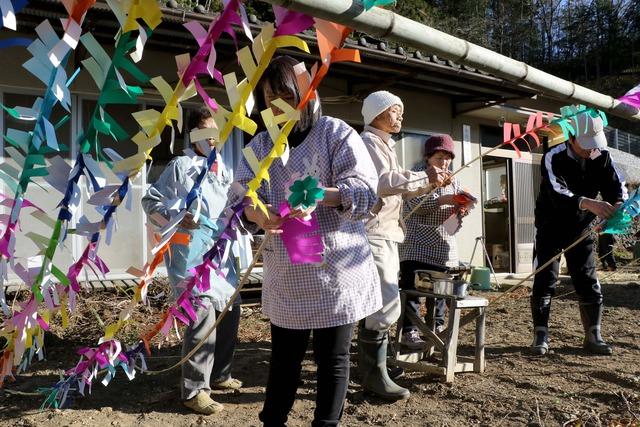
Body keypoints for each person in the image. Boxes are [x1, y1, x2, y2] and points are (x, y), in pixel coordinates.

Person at [231, 56, 381, 427]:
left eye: (285, 93)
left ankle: (326, 424)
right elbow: (240, 193)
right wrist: (258, 213)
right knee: (284, 356)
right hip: (288, 269)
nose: (278, 105)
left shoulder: (335, 133)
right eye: (269, 99)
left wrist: (321, 196)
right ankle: (273, 421)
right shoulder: (262, 143)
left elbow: (365, 191)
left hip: (337, 268)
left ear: (305, 92)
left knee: (333, 357)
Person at [142, 106, 242, 414]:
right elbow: (150, 201)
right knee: (200, 315)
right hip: (188, 254)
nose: (213, 139)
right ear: (193, 135)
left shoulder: (223, 168)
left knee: (228, 313)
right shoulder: (180, 166)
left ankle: (220, 372)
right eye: (206, 132)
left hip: (222, 252)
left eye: (217, 132)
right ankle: (194, 388)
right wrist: (176, 215)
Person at [358, 91, 445, 401]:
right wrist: (423, 177)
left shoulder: (383, 144)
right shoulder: (368, 144)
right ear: (378, 114)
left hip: (388, 231)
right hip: (375, 231)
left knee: (378, 302)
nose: (400, 117)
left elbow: (397, 188)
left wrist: (429, 182)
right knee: (384, 302)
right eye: (395, 111)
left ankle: (375, 366)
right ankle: (372, 372)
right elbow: (383, 182)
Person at [531, 112, 627, 356]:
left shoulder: (602, 157)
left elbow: (616, 187)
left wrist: (618, 205)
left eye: (594, 144)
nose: (590, 150)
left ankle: (593, 335)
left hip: (582, 228)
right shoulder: (553, 156)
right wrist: (587, 203)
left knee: (587, 278)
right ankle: (540, 334)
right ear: (571, 138)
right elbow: (557, 191)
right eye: (586, 144)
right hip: (550, 226)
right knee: (545, 278)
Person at [398, 134, 469, 348]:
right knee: (412, 290)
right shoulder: (418, 175)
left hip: (443, 244)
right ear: (428, 157)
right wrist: (442, 200)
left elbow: (455, 205)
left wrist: (461, 208)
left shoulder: (453, 178)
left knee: (439, 292)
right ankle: (409, 332)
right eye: (439, 157)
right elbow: (413, 207)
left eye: (447, 157)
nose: (444, 162)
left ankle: (435, 329)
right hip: (416, 244)